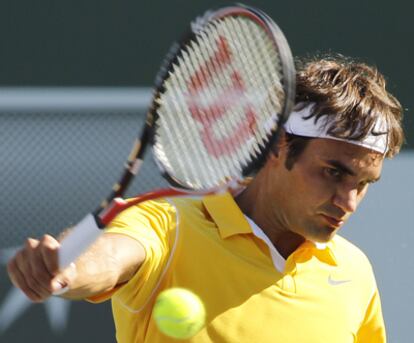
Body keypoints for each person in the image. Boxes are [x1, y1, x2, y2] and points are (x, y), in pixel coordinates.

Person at [7, 55, 404, 342]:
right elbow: (110, 256)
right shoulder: (167, 227)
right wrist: (65, 268)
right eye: (334, 173)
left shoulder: (354, 271)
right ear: (278, 146)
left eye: (364, 183)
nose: (348, 202)